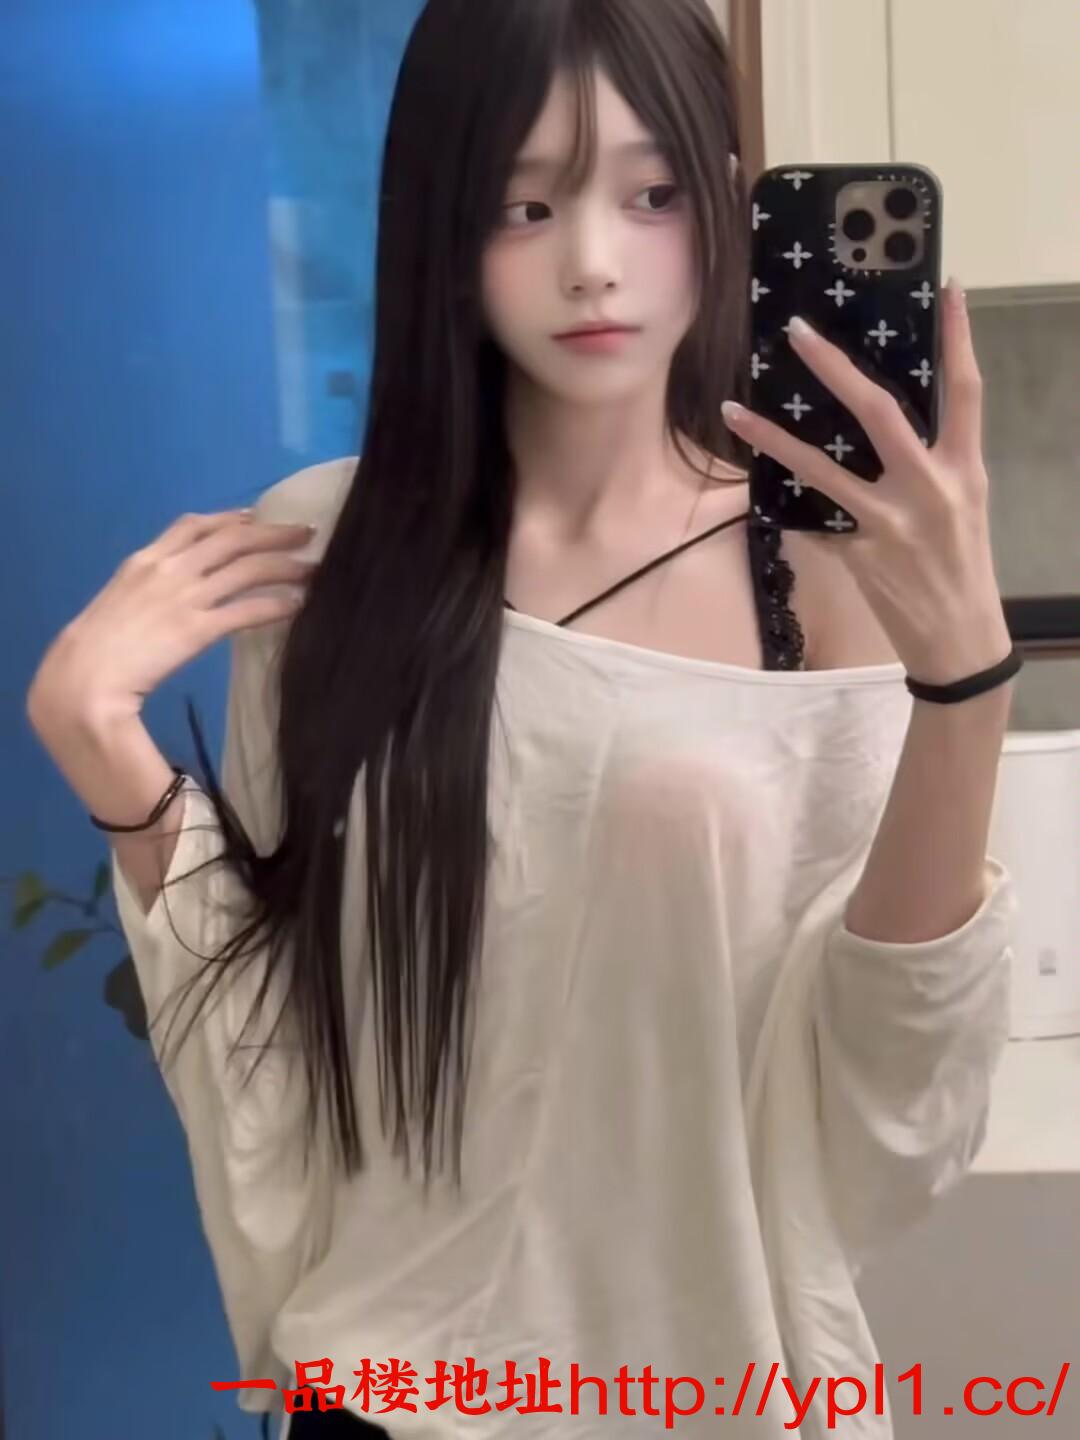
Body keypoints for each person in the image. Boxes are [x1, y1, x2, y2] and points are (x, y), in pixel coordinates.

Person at [26, 0, 1022, 1436]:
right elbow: (275, 1038)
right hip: (388, 1393)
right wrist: (104, 749)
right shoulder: (325, 549)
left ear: (727, 202)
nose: (592, 261)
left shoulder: (829, 574)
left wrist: (967, 685)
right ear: (442, 222)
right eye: (524, 204)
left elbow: (886, 1104)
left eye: (652, 195)